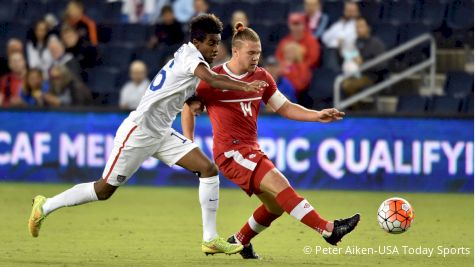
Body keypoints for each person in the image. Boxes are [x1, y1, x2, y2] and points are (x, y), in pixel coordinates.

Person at [28, 14, 268, 256]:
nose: (216, 49)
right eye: (212, 43)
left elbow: (178, 88)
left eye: (218, 43)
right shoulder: (191, 58)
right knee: (104, 190)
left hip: (161, 132)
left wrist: (193, 100)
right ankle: (45, 206)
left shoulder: (191, 57)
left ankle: (210, 238)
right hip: (139, 131)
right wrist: (244, 85)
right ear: (197, 42)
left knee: (208, 170)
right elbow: (213, 80)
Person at [182, 22, 359, 259]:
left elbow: (284, 107)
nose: (256, 58)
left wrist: (317, 115)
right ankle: (329, 229)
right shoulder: (213, 79)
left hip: (250, 149)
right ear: (236, 52)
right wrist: (189, 143)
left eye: (258, 53)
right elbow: (187, 105)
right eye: (250, 53)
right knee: (280, 184)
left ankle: (241, 240)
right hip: (231, 153)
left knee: (276, 205)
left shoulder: (262, 77)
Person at [341, 18, 386, 99]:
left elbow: (382, 64)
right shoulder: (354, 42)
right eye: (356, 27)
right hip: (351, 73)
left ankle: (355, 110)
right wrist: (340, 49)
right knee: (336, 83)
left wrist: (363, 62)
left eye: (361, 27)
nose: (358, 29)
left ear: (368, 28)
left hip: (370, 76)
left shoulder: (376, 43)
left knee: (347, 85)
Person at [321, 0, 360, 71]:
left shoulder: (357, 25)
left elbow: (350, 40)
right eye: (348, 11)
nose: (350, 13)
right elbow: (325, 37)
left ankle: (333, 75)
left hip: (347, 52)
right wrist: (336, 42)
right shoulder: (338, 24)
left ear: (357, 12)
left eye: (352, 11)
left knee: (333, 51)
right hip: (331, 50)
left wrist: (336, 42)